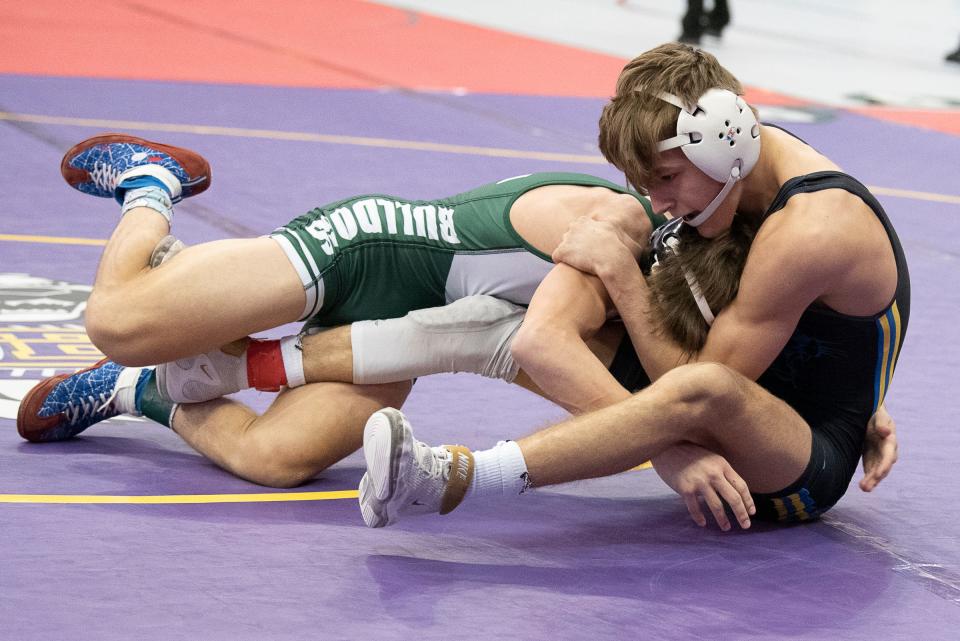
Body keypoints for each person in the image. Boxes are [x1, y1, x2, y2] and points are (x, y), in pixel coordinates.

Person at [358, 42, 908, 530]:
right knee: (524, 320)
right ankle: (297, 359)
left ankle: (452, 479)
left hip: (799, 465)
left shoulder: (813, 228)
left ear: (725, 142)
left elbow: (699, 388)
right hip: (759, 387)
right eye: (650, 185)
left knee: (703, 383)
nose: (663, 202)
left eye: (667, 180)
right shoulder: (745, 166)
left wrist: (623, 277)